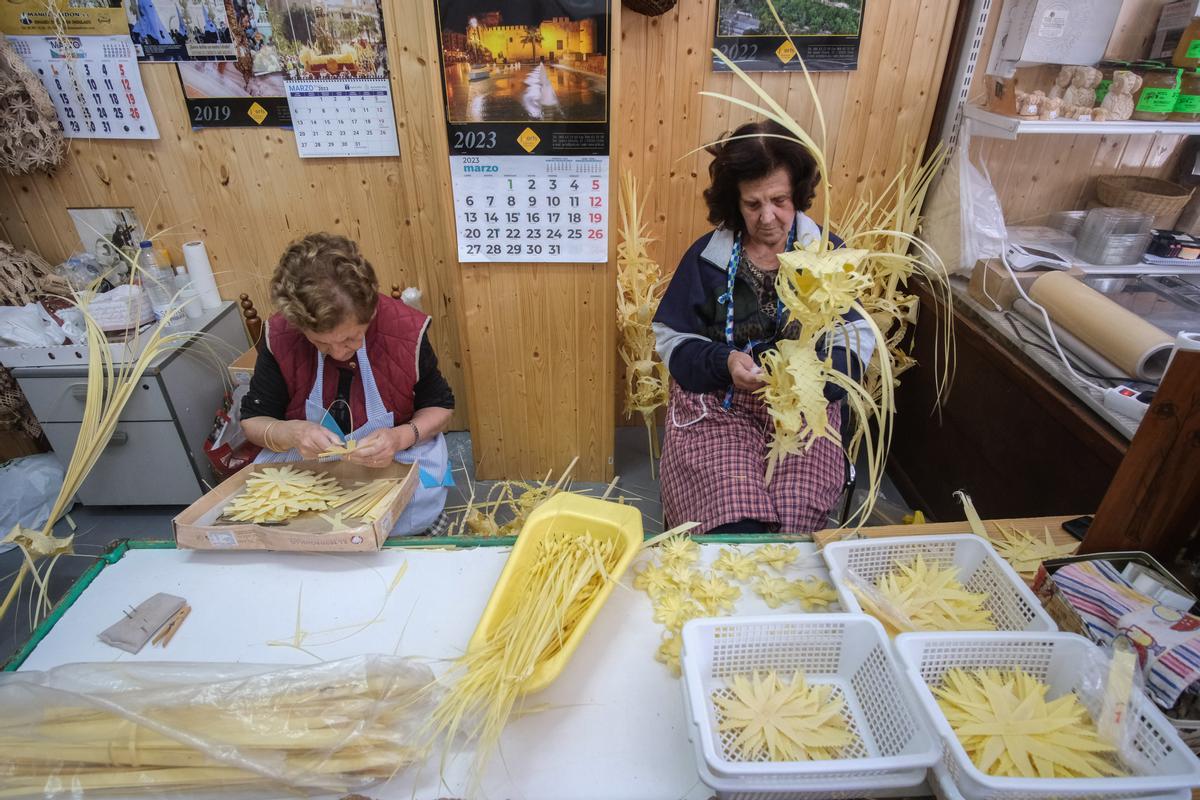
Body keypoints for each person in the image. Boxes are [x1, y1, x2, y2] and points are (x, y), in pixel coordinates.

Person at [652, 120, 875, 535]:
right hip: (719, 405)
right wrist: (725, 361)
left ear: (798, 195)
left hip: (803, 411)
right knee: (734, 517)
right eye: (753, 204)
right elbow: (673, 339)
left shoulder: (828, 255)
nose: (768, 217)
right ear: (734, 202)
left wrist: (814, 381)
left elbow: (856, 337)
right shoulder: (707, 258)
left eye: (779, 200)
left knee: (793, 519)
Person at [241, 232, 455, 536]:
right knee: (282, 511)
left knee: (414, 503)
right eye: (321, 344)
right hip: (311, 465)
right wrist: (292, 432)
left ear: (369, 312)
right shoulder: (281, 336)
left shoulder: (404, 330)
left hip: (391, 459)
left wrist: (399, 438)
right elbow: (252, 422)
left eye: (352, 338)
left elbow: (441, 407)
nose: (340, 353)